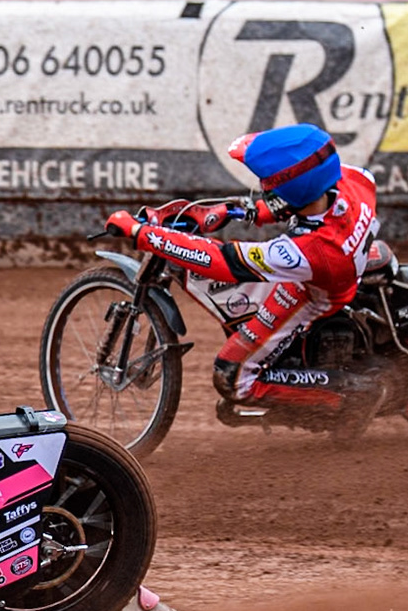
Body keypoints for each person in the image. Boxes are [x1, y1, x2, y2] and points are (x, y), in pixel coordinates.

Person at [101, 122, 380, 416]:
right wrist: (241, 210)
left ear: (292, 188)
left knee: (231, 376)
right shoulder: (355, 181)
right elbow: (306, 198)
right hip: (340, 268)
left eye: (269, 182)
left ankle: (345, 397)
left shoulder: (307, 251)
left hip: (310, 295)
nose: (265, 186)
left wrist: (142, 233)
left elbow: (223, 261)